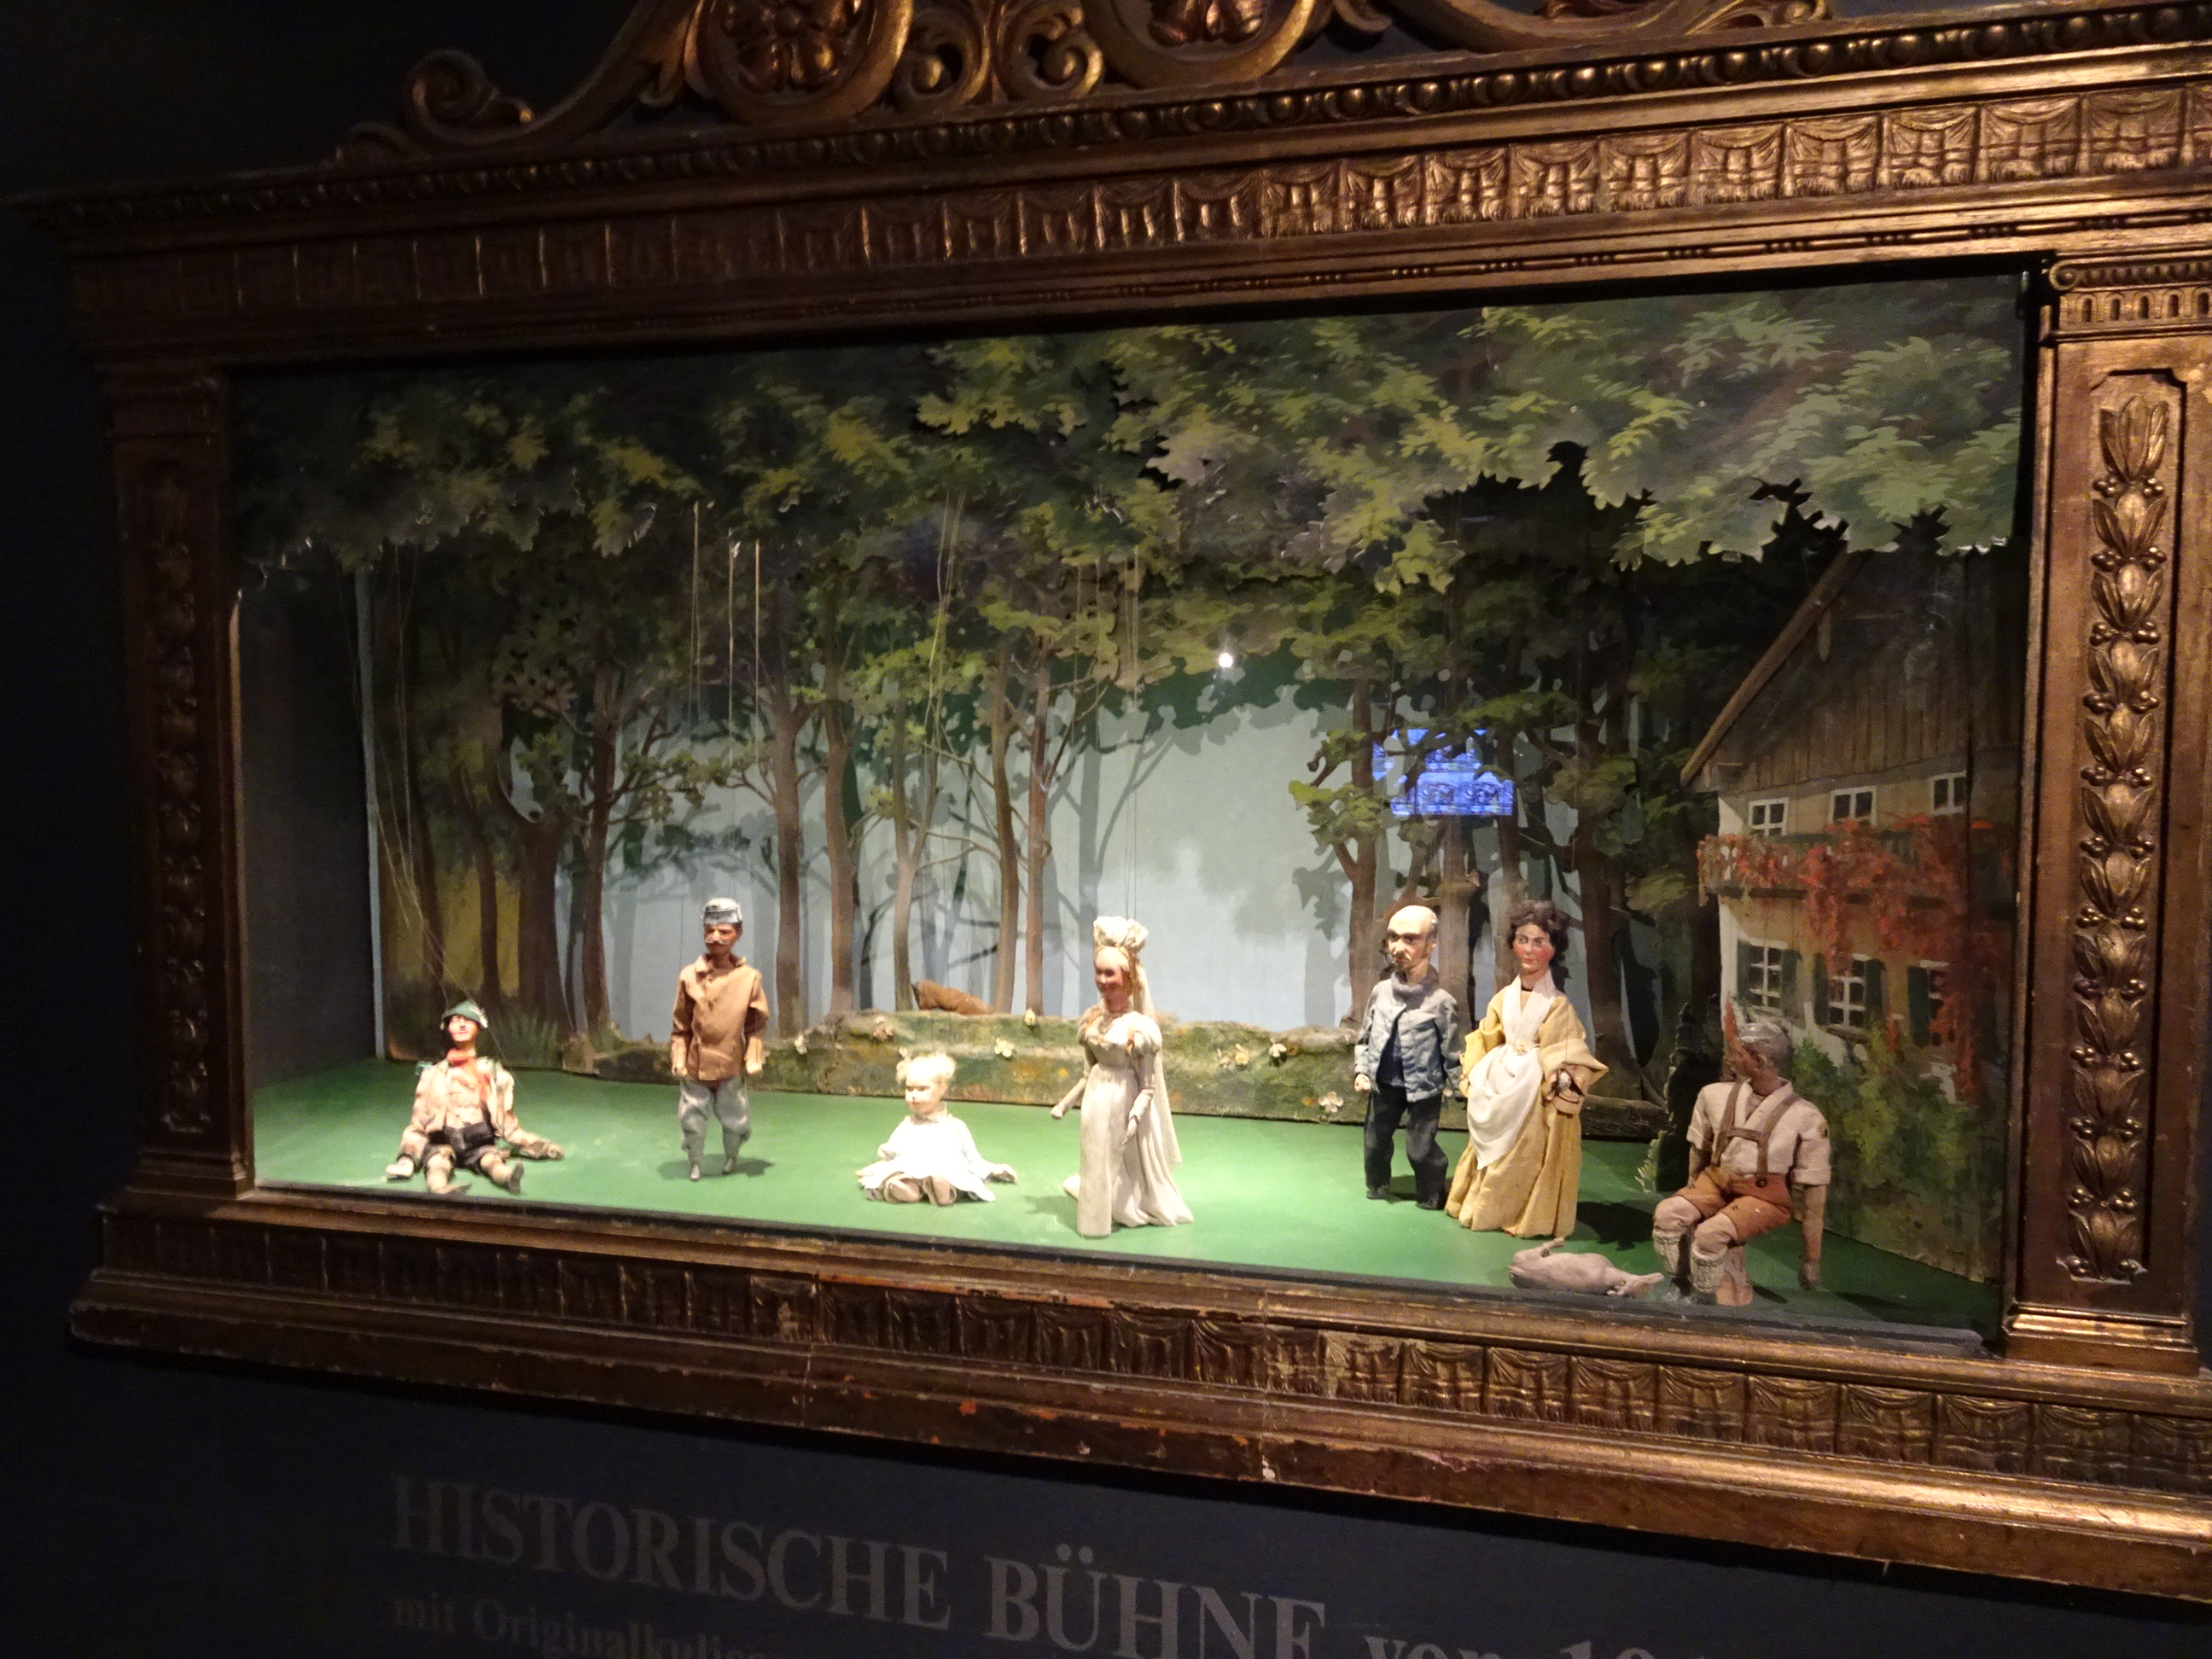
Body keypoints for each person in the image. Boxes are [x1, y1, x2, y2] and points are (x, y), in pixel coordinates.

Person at [1445, 899, 1604, 1238]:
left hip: (1533, 1090)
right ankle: (1483, 1205)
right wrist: (1472, 1069)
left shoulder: (1557, 1004)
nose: (1529, 950)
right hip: (1500, 1080)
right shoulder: (1504, 997)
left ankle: (1522, 1212)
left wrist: (1561, 1077)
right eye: (1522, 940)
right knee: (1490, 1146)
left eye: (1539, 942)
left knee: (1526, 1151)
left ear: (1553, 948)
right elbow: (1487, 1036)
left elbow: (1565, 1048)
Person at [1652, 1014, 1831, 1305]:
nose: (1729, 1058)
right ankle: (1680, 1283)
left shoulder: (1806, 1117)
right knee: (1667, 1214)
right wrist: (1691, 1195)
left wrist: (1811, 1259)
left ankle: (1705, 1298)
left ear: (1759, 1061)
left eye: (1737, 1053)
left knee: (1710, 1234)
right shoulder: (1713, 1095)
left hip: (1764, 1197)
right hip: (1715, 1182)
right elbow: (1699, 1151)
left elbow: (1814, 1195)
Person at [1051, 917, 1193, 1237]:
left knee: (1116, 1155)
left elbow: (1148, 1086)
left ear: (1128, 978)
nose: (1102, 980)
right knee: (1093, 1153)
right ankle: (1095, 1209)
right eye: (1098, 972)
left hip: (1123, 1096)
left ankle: (1121, 1205)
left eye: (1110, 973)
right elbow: (1087, 1073)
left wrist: (1135, 1117)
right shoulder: (1091, 1021)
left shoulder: (1139, 1029)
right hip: (1096, 1096)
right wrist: (1065, 1103)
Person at [385, 1000, 563, 1196]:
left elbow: (508, 1125)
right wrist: (408, 1156)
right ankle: (439, 1189)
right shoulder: (433, 1075)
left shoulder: (494, 1077)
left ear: (478, 1027)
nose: (462, 1025)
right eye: (456, 1021)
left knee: (492, 1161)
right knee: (437, 1163)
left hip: (479, 1142)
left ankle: (507, 1178)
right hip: (443, 1142)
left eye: (468, 1020)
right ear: (448, 1028)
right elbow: (418, 1123)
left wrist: (540, 1147)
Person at [1351, 905, 1464, 1208]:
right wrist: (1362, 1070)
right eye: (1393, 937)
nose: (1398, 948)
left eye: (1411, 939)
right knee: (1375, 1141)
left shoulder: (1441, 1003)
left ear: (1430, 944)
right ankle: (1377, 1184)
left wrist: (1462, 1085)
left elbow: (1453, 1049)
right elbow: (1366, 1035)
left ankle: (1431, 1192)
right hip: (1384, 1084)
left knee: (1420, 1148)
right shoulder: (1380, 993)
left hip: (1424, 1088)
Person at [670, 896, 771, 1182]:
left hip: (729, 1065)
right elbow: (680, 1027)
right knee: (691, 1119)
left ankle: (732, 1156)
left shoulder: (749, 978)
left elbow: (756, 1025)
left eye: (724, 931)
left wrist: (753, 1057)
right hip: (696, 1066)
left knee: (736, 1119)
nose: (715, 937)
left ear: (738, 934)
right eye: (709, 930)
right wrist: (678, 1058)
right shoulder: (689, 976)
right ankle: (695, 1161)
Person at [857, 1052, 1017, 1204]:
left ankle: (944, 1190)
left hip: (946, 1168)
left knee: (954, 1176)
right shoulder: (907, 1125)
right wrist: (878, 1167)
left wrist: (992, 1170)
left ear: (942, 1089)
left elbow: (972, 1158)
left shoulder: (955, 1126)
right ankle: (909, 1191)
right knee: (899, 1176)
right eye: (909, 1089)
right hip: (911, 1166)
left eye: (922, 1089)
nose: (914, 1095)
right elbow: (890, 1152)